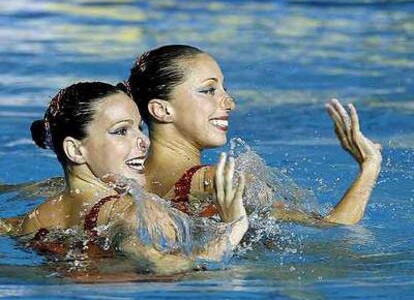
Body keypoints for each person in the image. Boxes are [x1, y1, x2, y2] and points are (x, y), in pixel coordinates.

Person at [1, 82, 249, 277]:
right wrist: (234, 226)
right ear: (75, 150)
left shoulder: (36, 217)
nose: (144, 141)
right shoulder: (124, 209)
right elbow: (174, 267)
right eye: (121, 131)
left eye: (139, 128)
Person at [127, 44, 382, 226]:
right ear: (162, 109)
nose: (229, 103)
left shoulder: (125, 180)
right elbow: (334, 228)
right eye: (208, 90)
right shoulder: (218, 180)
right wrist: (369, 166)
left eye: (223, 89)